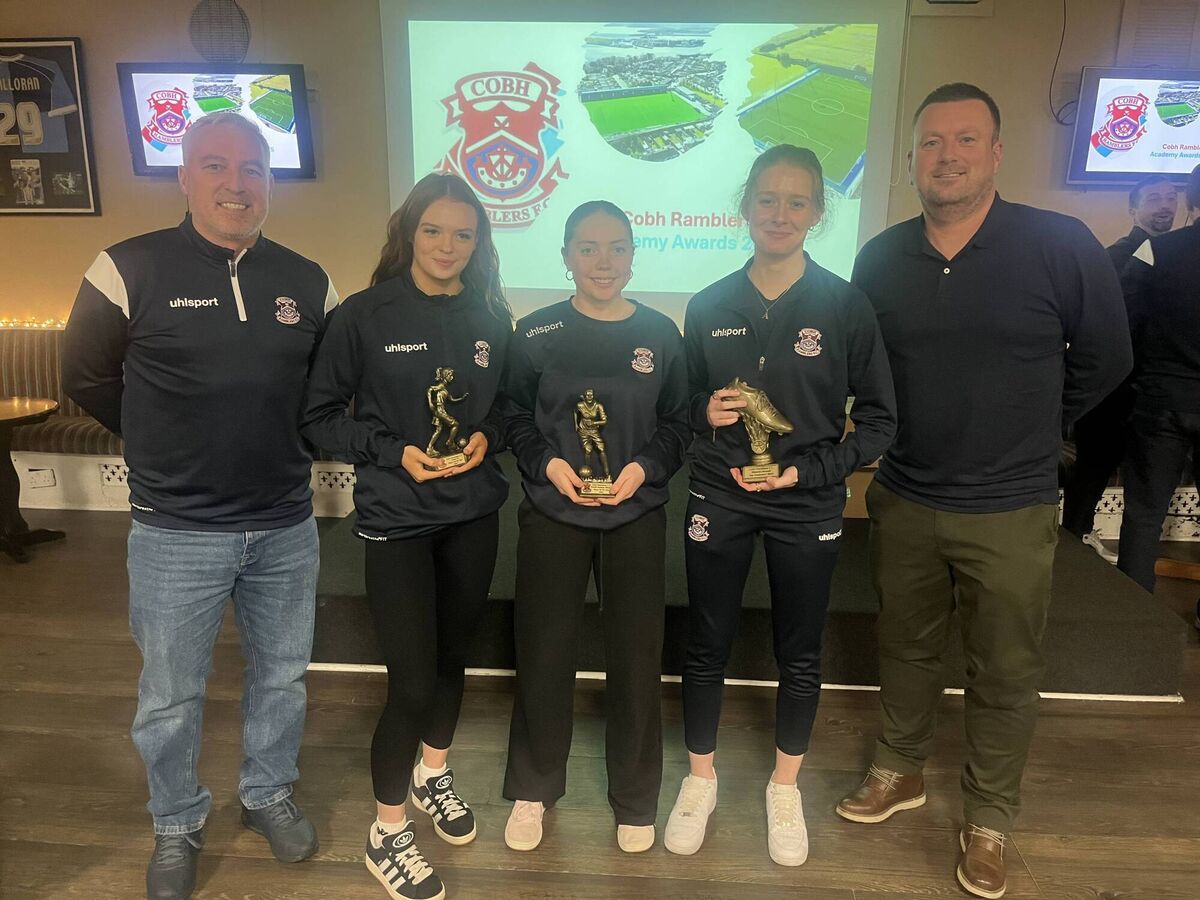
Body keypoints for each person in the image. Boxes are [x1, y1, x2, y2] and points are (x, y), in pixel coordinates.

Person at [837, 84, 1131, 899]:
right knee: (906, 646)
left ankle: (990, 816)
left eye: (966, 139)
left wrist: (1040, 424)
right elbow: (869, 373)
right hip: (905, 495)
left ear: (997, 153)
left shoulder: (1059, 244)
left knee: (1003, 669)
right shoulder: (879, 259)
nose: (948, 156)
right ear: (911, 158)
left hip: (1011, 505)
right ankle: (900, 769)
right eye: (932, 142)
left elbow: (1107, 357)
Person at [61, 111, 338, 900]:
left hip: (285, 523)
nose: (235, 184)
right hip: (175, 531)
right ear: (184, 177)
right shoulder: (126, 268)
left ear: (270, 181)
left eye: (252, 168)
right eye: (215, 166)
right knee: (171, 694)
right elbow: (84, 378)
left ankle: (267, 794)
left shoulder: (309, 281)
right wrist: (160, 442)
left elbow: (325, 389)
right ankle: (176, 822)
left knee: (281, 678)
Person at [665, 144, 896, 866]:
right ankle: (700, 779)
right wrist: (702, 411)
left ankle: (784, 787)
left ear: (818, 213)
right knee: (707, 641)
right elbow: (682, 404)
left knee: (800, 648)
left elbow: (880, 422)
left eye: (798, 201)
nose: (780, 213)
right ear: (745, 205)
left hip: (808, 501)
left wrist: (807, 473)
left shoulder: (845, 305)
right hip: (720, 493)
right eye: (767, 198)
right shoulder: (709, 304)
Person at [302, 172, 512, 900]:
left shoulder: (491, 317)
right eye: (433, 230)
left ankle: (432, 774)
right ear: (409, 234)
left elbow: (505, 409)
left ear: (478, 242)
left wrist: (486, 437)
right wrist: (395, 452)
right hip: (397, 519)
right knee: (413, 681)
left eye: (463, 234)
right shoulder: (363, 316)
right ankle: (386, 831)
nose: (447, 246)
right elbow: (319, 418)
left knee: (453, 662)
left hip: (473, 515)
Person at [500, 200, 690, 855]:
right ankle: (533, 788)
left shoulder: (661, 334)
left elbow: (678, 423)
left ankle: (635, 800)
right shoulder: (535, 332)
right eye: (588, 247)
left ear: (634, 254)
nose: (602, 261)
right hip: (554, 512)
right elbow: (514, 416)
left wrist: (643, 469)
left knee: (636, 659)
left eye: (616, 247)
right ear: (565, 256)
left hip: (635, 513)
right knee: (543, 651)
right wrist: (547, 464)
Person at [1063, 175, 1179, 559]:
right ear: (1133, 209)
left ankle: (1084, 537)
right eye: (1153, 198)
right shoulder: (1116, 257)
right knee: (1095, 467)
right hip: (1115, 387)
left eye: (1170, 197)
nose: (1164, 205)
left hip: (1151, 388)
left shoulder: (1176, 256)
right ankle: (1075, 539)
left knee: (1136, 474)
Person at [1116, 164, 1200, 597]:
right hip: (1166, 395)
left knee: (1144, 513)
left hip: (1160, 399)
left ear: (1189, 200)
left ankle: (1133, 613)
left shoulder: (1154, 250)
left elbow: (1124, 322)